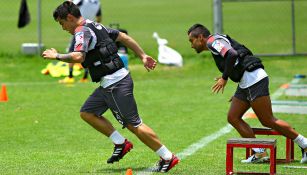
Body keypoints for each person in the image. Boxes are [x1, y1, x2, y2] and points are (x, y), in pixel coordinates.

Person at [42, 1, 179, 172]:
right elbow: (123, 37)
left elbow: (78, 56)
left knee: (133, 124)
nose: (63, 28)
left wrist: (56, 56)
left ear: (69, 17)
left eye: (62, 23)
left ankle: (168, 157)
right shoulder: (95, 25)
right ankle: (121, 143)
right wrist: (142, 55)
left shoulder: (81, 31)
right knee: (88, 112)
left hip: (115, 84)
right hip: (110, 83)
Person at [187, 23, 307, 164]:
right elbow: (234, 60)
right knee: (233, 117)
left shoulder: (212, 42)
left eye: (191, 41)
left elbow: (232, 54)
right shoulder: (214, 43)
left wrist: (224, 79)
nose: (191, 45)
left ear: (200, 37)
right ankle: (260, 153)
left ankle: (304, 144)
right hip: (246, 83)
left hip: (253, 79)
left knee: (267, 120)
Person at [59, 0, 102, 84]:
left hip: (80, 27)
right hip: (91, 28)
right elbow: (99, 18)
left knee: (72, 51)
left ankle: (70, 76)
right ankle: (85, 77)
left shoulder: (81, 1)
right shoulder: (97, 2)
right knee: (87, 52)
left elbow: (69, 6)